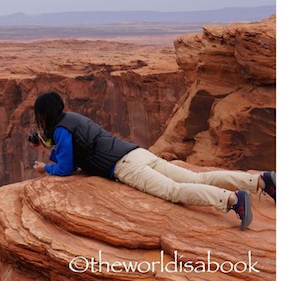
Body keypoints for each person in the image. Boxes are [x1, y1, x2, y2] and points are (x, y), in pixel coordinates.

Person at [31, 92, 275, 230]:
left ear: (45, 114)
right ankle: (260, 181)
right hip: (137, 153)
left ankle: (232, 199)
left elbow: (66, 168)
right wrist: (45, 145)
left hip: (125, 166)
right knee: (198, 177)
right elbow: (72, 148)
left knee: (173, 191)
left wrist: (45, 168)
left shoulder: (62, 131)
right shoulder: (72, 118)